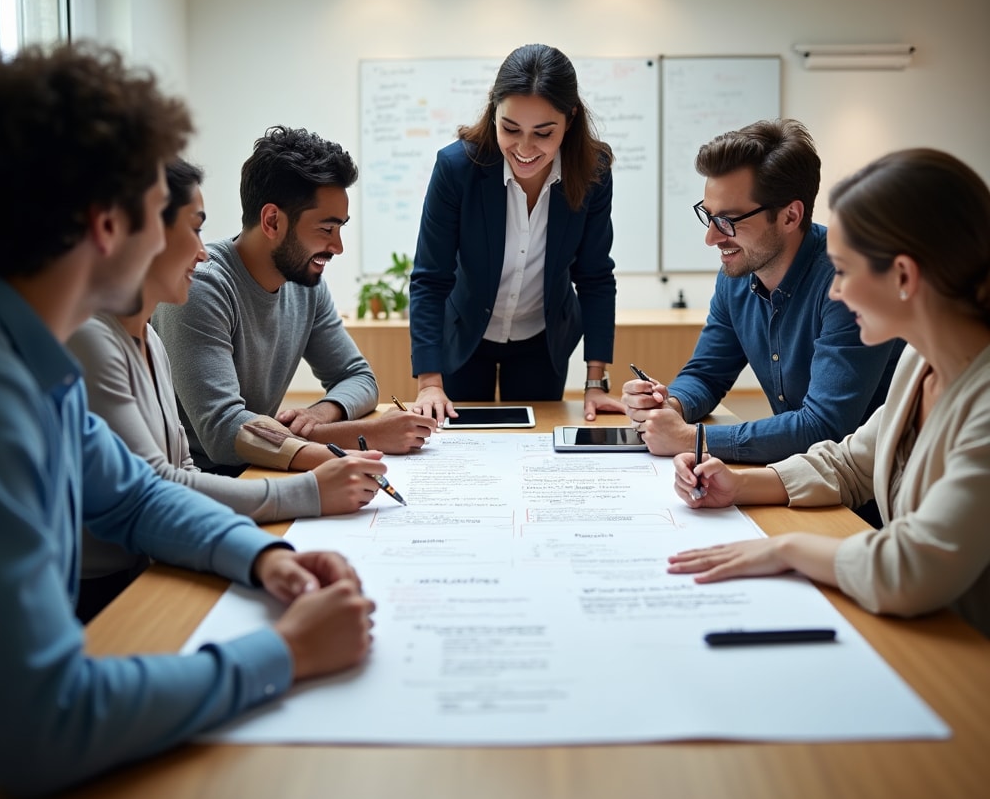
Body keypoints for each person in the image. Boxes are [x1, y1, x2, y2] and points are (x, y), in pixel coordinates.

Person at [0, 43, 375, 797]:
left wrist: (258, 558)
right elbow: (41, 727)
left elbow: (131, 495)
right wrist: (283, 656)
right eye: (164, 214)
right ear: (105, 226)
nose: (178, 241)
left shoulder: (25, 354)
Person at [668, 149, 990, 638]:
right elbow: (850, 463)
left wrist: (785, 549)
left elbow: (909, 568)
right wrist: (741, 485)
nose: (834, 292)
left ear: (903, 277)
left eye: (844, 270)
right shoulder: (920, 362)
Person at [68, 157, 388, 622]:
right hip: (89, 590)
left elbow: (177, 472)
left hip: (150, 559)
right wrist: (312, 485)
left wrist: (266, 557)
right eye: (194, 230)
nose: (202, 252)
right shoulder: (93, 338)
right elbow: (162, 485)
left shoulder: (149, 340)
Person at [153, 125, 436, 474]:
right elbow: (225, 434)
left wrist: (319, 414)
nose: (338, 247)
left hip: (267, 467)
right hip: (208, 485)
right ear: (272, 221)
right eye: (326, 229)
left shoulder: (305, 283)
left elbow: (358, 377)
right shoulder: (202, 287)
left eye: (340, 229)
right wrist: (365, 435)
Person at [622, 118, 901, 465]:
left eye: (729, 221)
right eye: (708, 216)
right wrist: (670, 405)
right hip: (802, 479)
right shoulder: (736, 276)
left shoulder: (849, 284)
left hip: (869, 493)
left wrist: (692, 438)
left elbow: (824, 427)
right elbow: (707, 374)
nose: (711, 237)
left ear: (789, 216)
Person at [409, 43, 626, 424]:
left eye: (543, 133)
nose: (525, 148)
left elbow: (594, 277)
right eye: (511, 129)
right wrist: (429, 382)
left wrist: (596, 381)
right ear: (494, 111)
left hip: (543, 340)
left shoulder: (593, 173)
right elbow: (430, 278)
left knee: (536, 448)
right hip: (464, 336)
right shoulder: (456, 168)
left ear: (570, 120)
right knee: (462, 448)